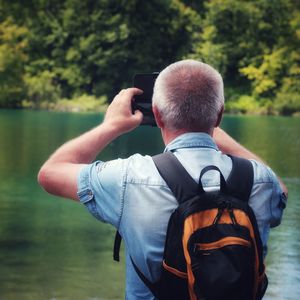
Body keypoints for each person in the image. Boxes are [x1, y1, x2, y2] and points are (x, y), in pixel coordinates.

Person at [38, 60, 287, 299]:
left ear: (157, 115)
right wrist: (215, 132)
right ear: (219, 115)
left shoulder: (130, 178)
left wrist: (112, 126)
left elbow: (51, 173)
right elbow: (280, 189)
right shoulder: (261, 180)